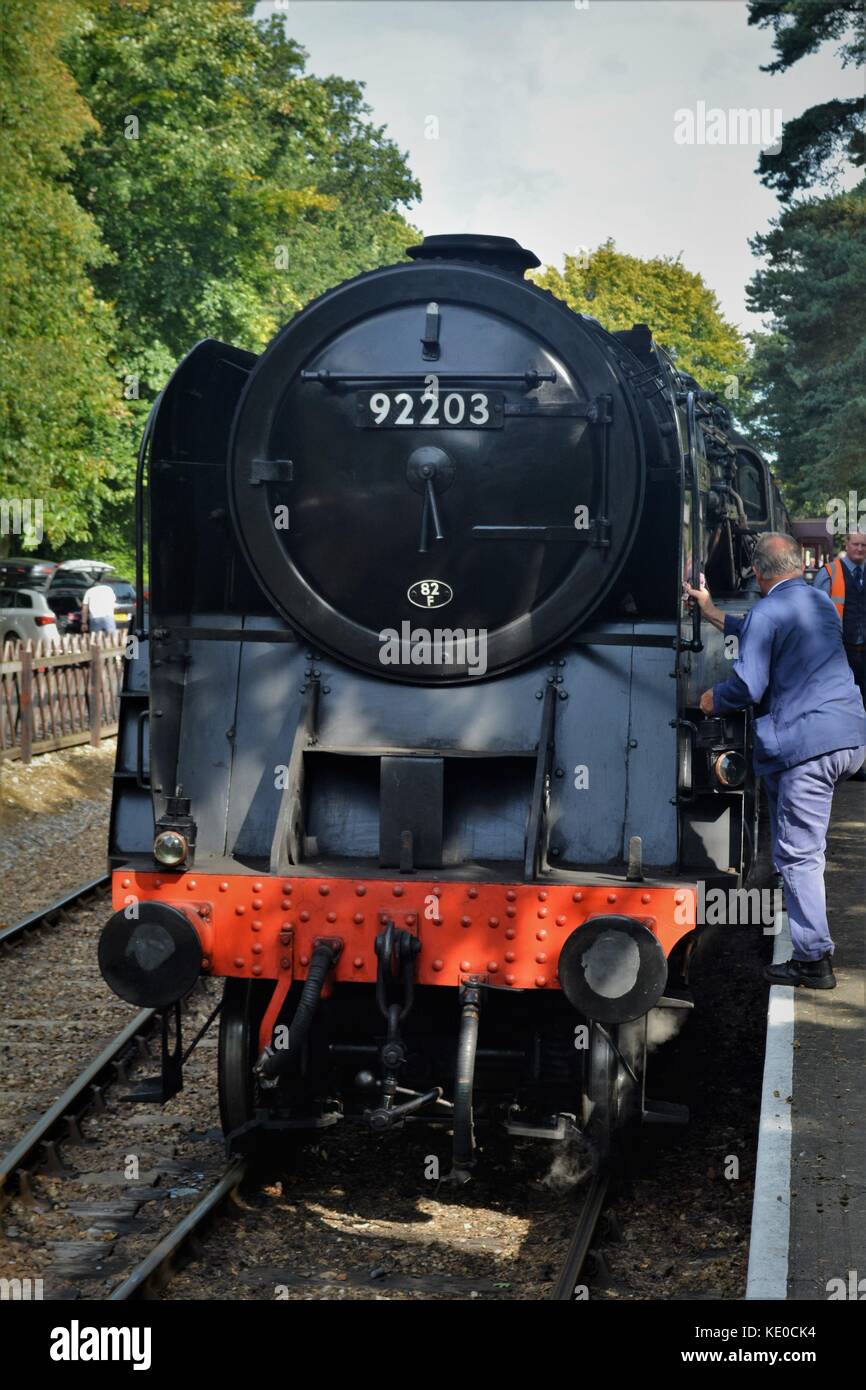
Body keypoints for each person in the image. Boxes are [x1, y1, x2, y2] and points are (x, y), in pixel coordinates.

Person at [685, 533, 866, 990]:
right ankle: (811, 949)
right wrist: (710, 611)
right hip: (848, 737)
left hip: (807, 745)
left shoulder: (767, 610)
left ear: (759, 573)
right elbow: (764, 626)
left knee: (798, 854)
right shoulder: (818, 601)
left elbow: (747, 687)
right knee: (808, 845)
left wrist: (712, 700)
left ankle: (813, 960)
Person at [812, 530, 866, 778]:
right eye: (856, 544)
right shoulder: (830, 573)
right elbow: (816, 614)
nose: (860, 548)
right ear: (847, 544)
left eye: (864, 545)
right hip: (838, 654)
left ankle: (860, 761)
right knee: (842, 708)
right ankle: (842, 762)